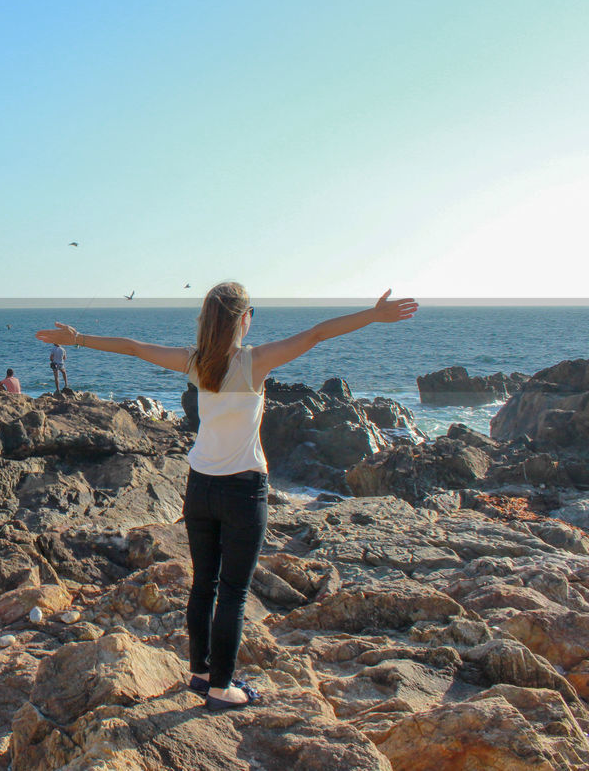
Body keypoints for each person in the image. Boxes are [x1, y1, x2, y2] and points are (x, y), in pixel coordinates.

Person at [36, 283, 417, 711]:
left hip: (199, 485)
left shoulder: (196, 363)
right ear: (243, 319)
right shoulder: (254, 363)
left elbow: (133, 347)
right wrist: (373, 314)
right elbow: (316, 334)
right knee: (233, 593)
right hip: (242, 490)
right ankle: (221, 687)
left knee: (204, 585)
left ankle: (200, 673)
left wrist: (79, 340)